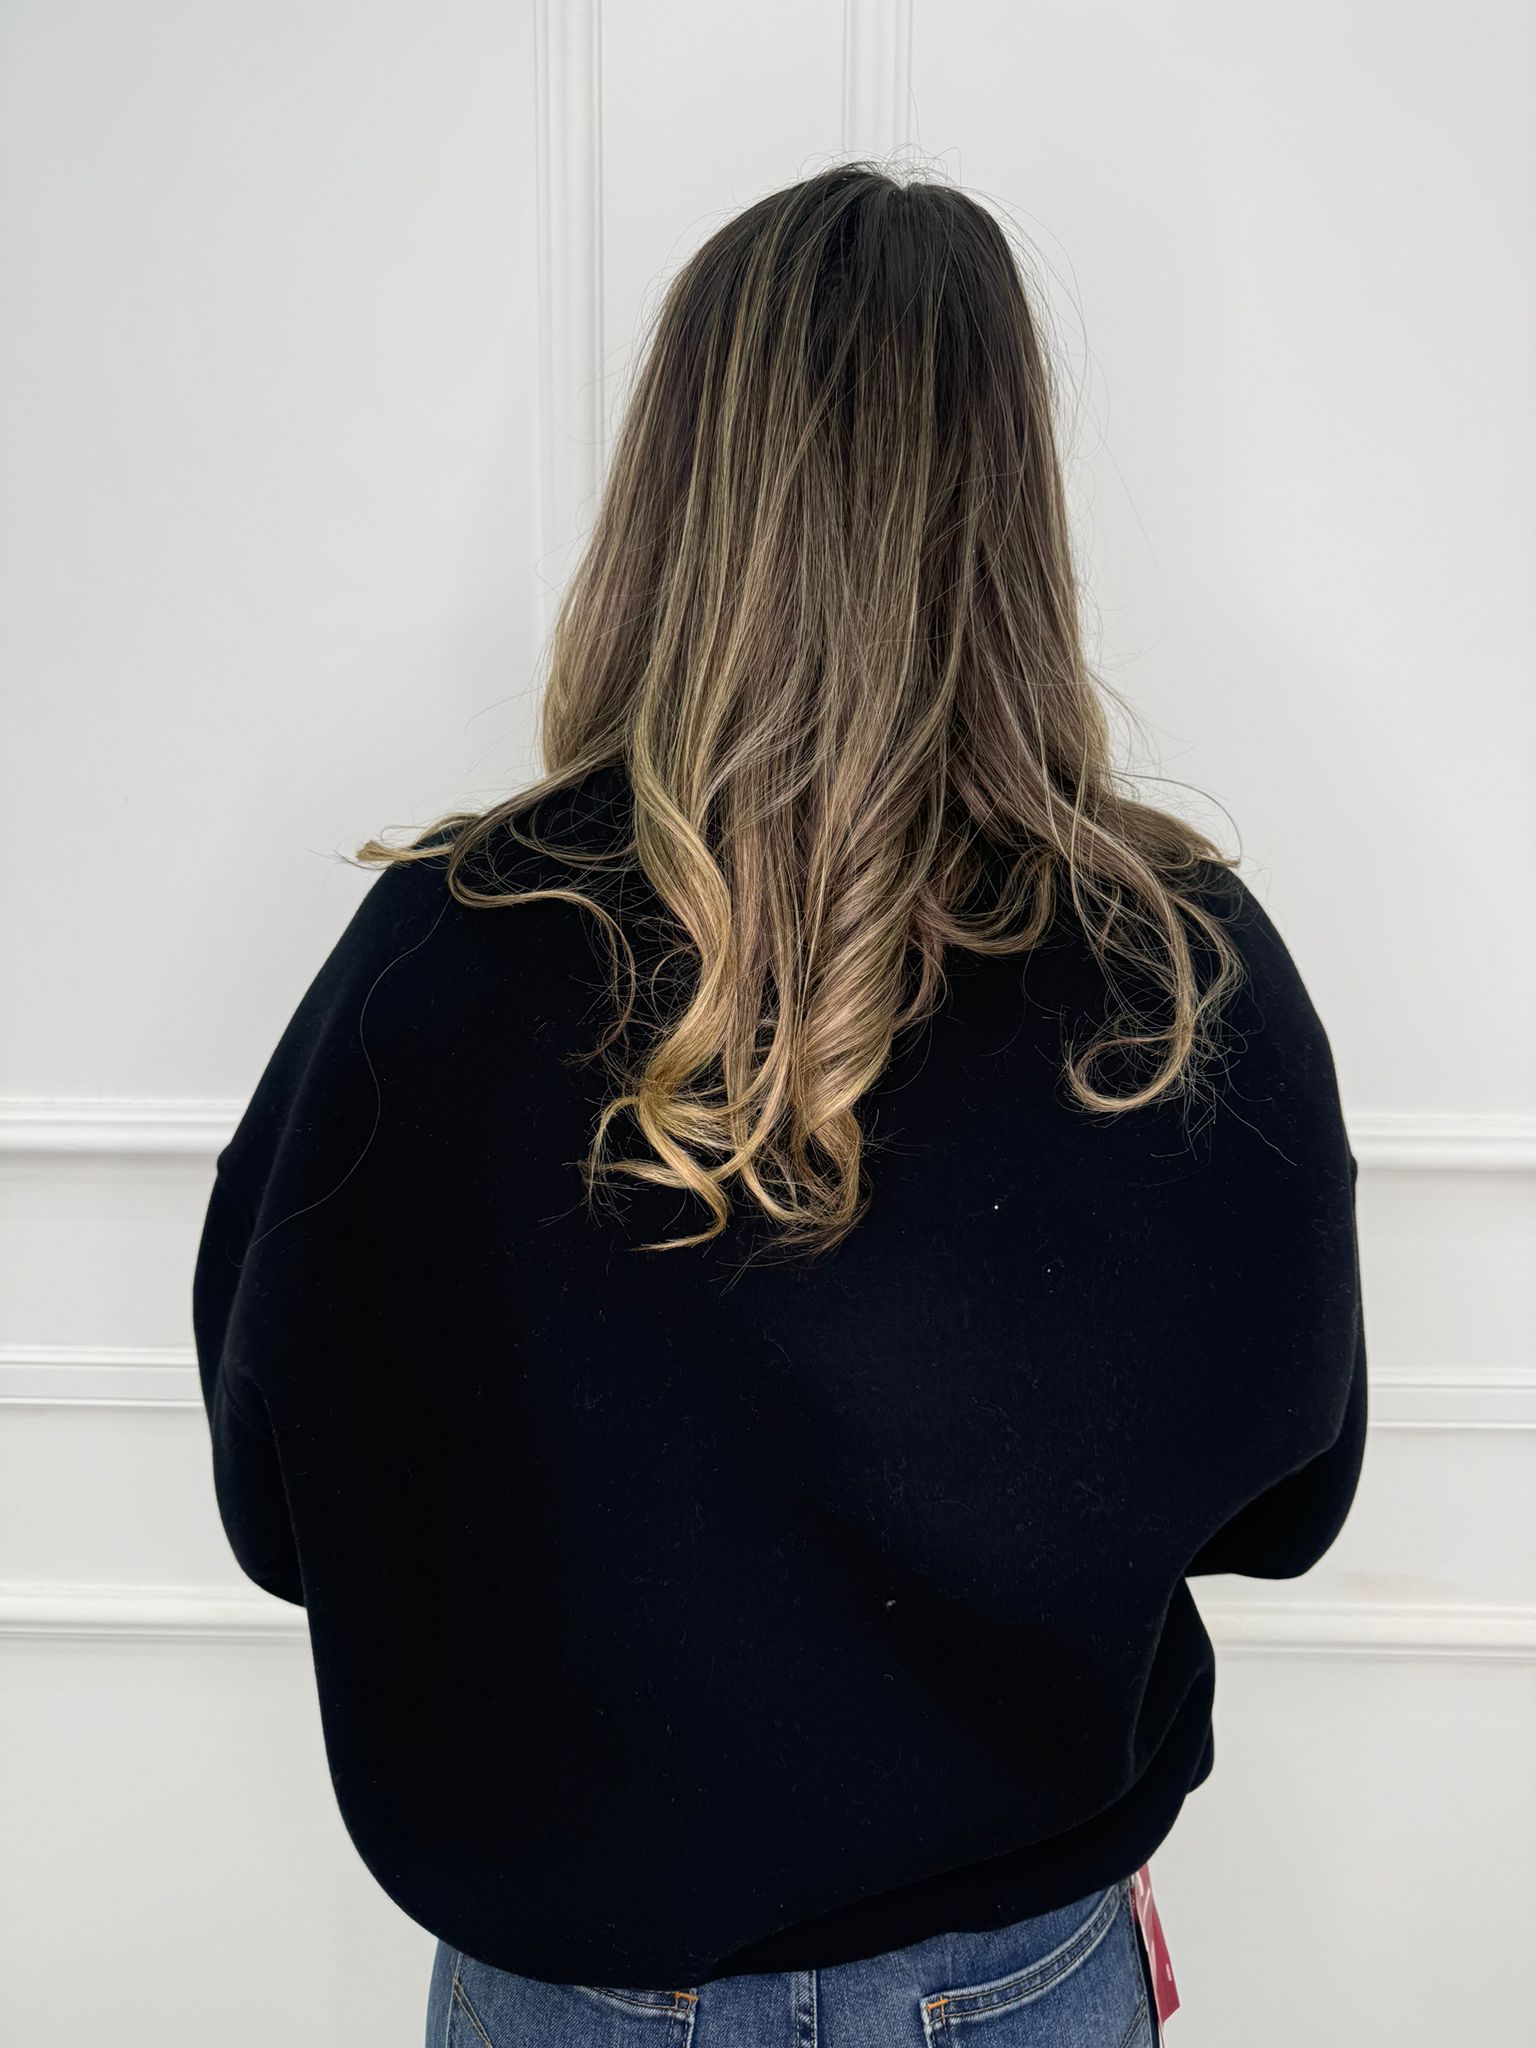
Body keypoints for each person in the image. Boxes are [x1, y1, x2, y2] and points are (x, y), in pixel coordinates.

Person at [193, 162, 1366, 2046]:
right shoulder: (1169, 965)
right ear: (1011, 501)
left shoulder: (447, 949)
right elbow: (1290, 1495)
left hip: (571, 1990)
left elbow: (276, 1499)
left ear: (676, 487)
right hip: (1013, 1977)